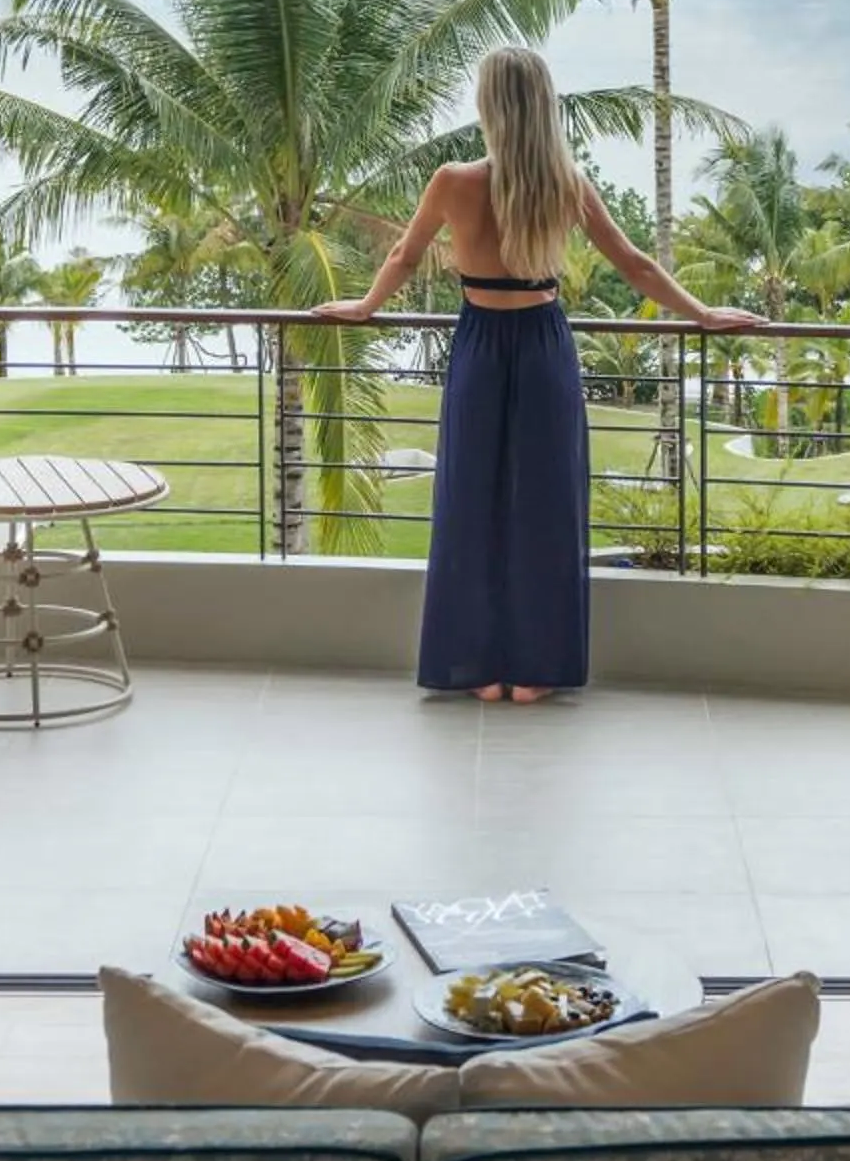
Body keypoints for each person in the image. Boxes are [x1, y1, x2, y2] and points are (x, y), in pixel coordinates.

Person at [315, 48, 756, 702]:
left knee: (470, 501)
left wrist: (364, 307)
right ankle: (537, 671)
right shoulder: (565, 180)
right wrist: (701, 312)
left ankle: (476, 668)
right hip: (544, 343)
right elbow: (633, 263)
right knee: (546, 507)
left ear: (487, 105)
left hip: (479, 342)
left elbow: (407, 257)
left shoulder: (452, 180)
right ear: (545, 104)